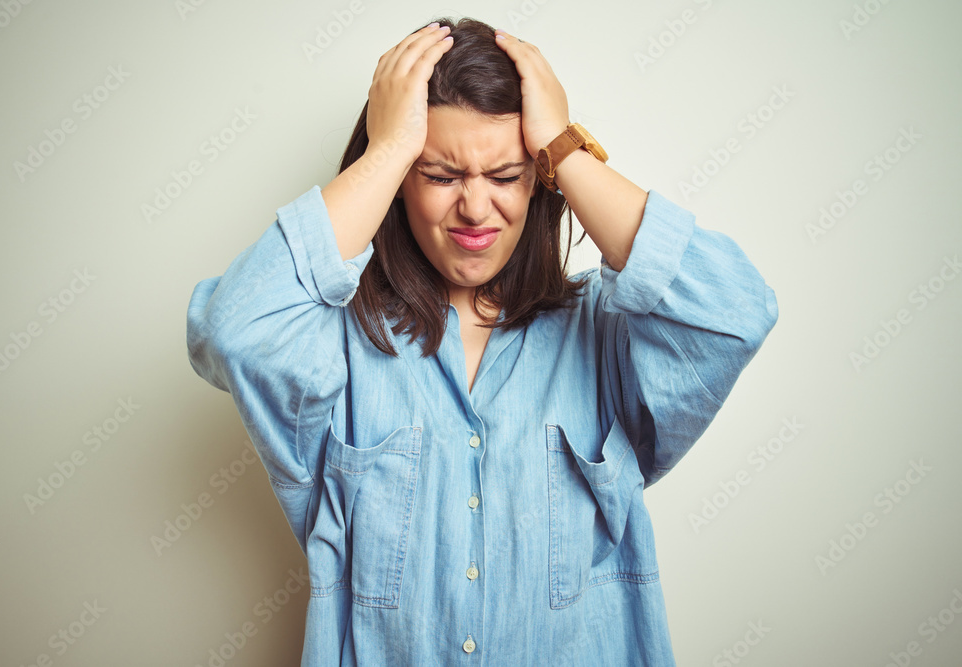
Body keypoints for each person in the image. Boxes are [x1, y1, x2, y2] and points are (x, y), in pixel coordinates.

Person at [186, 16, 778, 666]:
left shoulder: (608, 338)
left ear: (539, 181)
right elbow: (234, 329)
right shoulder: (338, 344)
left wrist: (564, 146)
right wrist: (386, 150)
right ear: (400, 182)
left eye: (505, 175)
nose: (474, 208)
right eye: (440, 175)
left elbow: (739, 311)